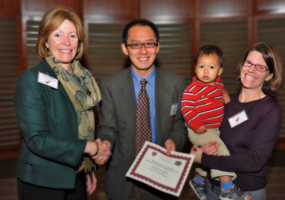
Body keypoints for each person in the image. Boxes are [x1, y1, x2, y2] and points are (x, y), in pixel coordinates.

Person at [14, 6, 110, 200]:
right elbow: (37, 140)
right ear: (46, 42)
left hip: (76, 174)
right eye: (58, 35)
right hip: (42, 181)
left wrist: (87, 168)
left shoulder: (83, 80)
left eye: (72, 36)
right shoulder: (31, 79)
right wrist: (90, 147)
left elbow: (80, 128)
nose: (66, 42)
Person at [96, 19, 188, 200]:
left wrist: (174, 141)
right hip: (123, 177)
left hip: (162, 174)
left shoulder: (176, 83)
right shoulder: (110, 86)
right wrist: (106, 144)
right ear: (125, 48)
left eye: (149, 44)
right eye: (135, 45)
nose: (143, 51)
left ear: (157, 46)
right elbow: (108, 127)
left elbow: (179, 123)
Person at [190, 43, 283, 200]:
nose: (251, 70)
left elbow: (254, 161)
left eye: (260, 67)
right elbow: (207, 131)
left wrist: (204, 159)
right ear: (242, 64)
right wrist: (203, 147)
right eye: (248, 63)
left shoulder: (269, 110)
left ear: (269, 76)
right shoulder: (225, 101)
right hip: (213, 186)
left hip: (245, 191)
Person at [181, 45, 251, 200]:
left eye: (211, 67)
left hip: (214, 130)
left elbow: (222, 96)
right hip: (200, 129)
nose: (205, 71)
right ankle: (227, 189)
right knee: (221, 154)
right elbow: (186, 108)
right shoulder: (192, 89)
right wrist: (196, 123)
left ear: (219, 71)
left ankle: (198, 181)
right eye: (201, 66)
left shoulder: (218, 85)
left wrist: (224, 94)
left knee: (210, 156)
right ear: (195, 69)